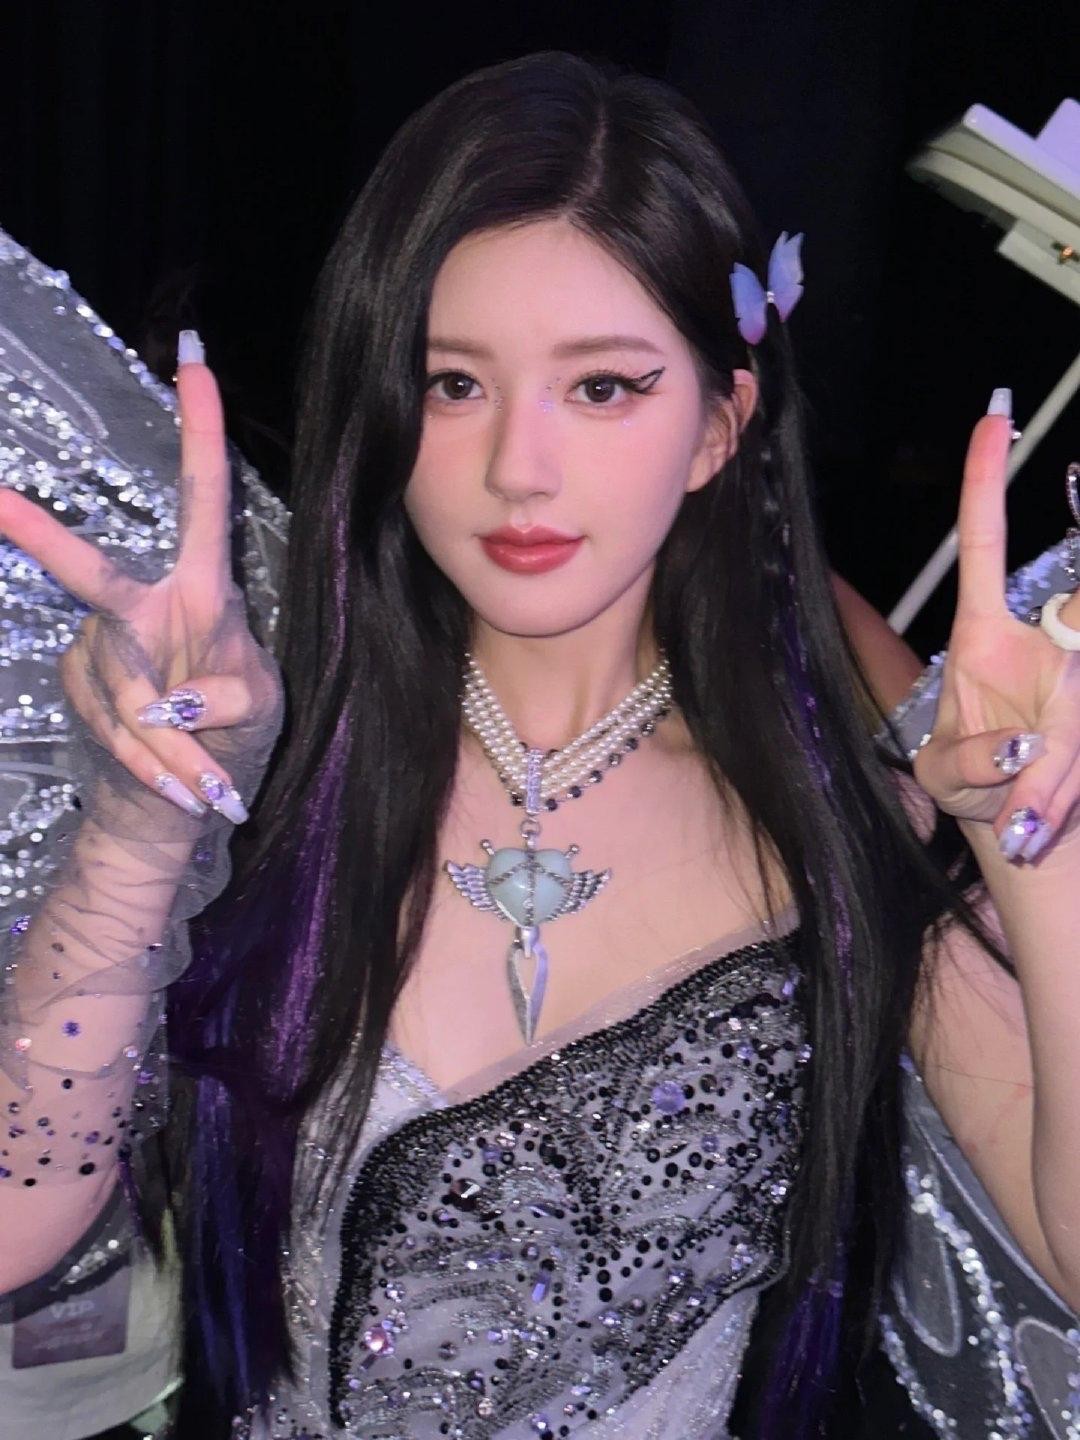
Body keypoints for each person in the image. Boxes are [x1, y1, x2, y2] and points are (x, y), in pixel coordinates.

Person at [1, 52, 1078, 1440]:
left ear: (720, 423)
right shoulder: (268, 759)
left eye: (605, 388)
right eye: (454, 383)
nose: (518, 466)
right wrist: (146, 819)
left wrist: (1032, 853)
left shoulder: (839, 831)